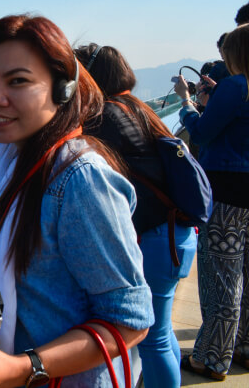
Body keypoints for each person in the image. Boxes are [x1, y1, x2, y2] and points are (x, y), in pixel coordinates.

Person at [0, 15, 153, 387]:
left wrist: (22, 368)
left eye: (18, 81)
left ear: (63, 90)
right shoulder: (12, 165)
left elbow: (130, 320)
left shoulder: (79, 180)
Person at [75, 43, 196, 388]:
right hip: (175, 235)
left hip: (161, 241)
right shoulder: (137, 108)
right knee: (161, 330)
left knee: (153, 338)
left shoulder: (105, 118)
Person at [175, 24, 249, 380]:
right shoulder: (240, 88)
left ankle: (211, 357)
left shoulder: (237, 85)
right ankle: (244, 346)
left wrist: (186, 102)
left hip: (226, 192)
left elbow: (201, 132)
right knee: (244, 273)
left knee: (221, 276)